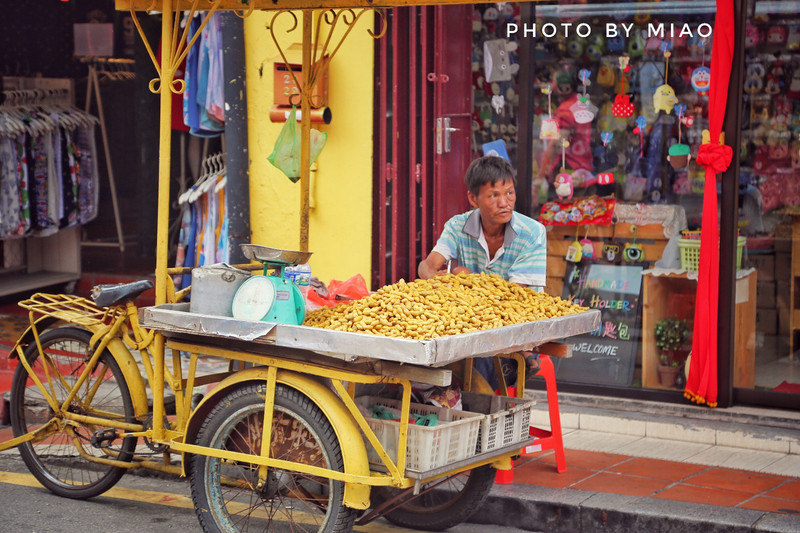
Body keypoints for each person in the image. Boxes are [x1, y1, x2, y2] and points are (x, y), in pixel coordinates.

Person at [418, 155, 547, 390]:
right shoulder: (458, 226)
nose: (504, 203)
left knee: (475, 363)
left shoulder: (532, 234)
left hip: (513, 328)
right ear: (473, 199)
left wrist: (466, 277)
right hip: (470, 321)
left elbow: (515, 299)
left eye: (509, 193)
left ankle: (464, 405)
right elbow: (426, 266)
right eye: (494, 195)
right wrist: (443, 276)